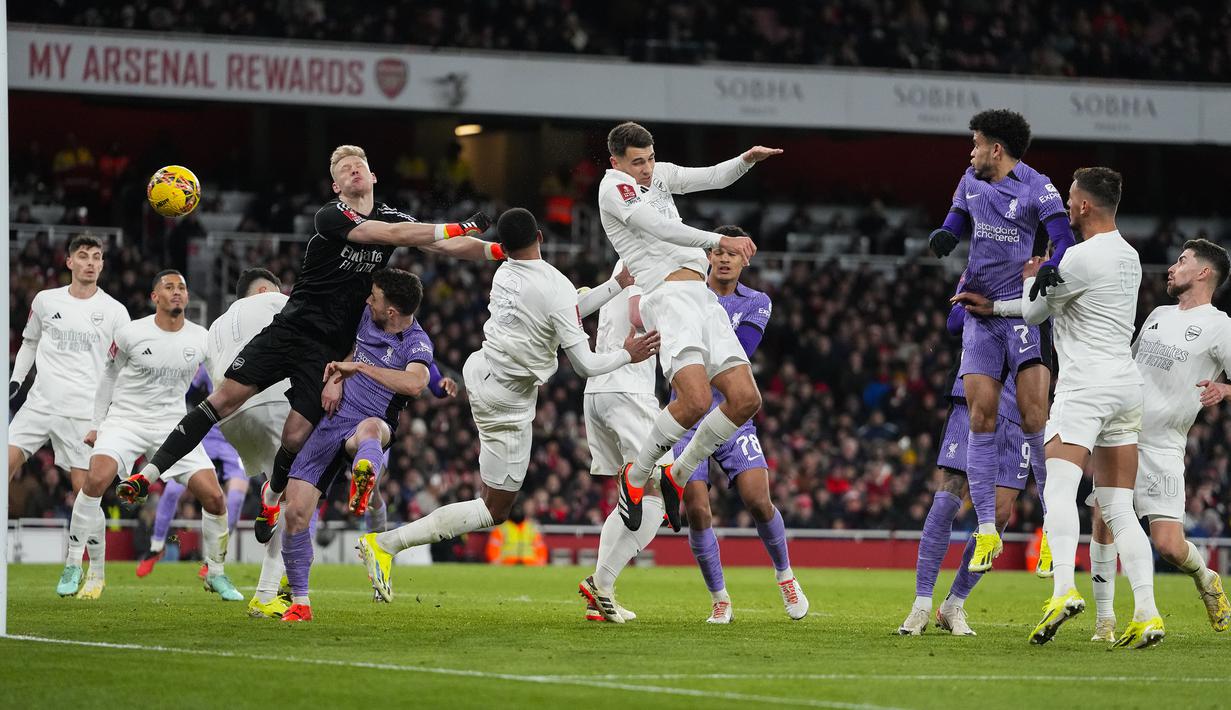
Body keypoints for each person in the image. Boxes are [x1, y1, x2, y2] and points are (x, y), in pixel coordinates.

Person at [122, 146, 499, 538]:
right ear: (336, 185)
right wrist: (456, 226)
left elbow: (437, 243)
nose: (353, 169)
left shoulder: (392, 215)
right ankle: (147, 476)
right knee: (225, 398)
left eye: (360, 166)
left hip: (327, 351)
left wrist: (495, 251)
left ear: (372, 178)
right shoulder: (331, 216)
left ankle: (271, 496)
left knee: (295, 436)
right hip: (290, 330)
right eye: (343, 168)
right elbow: (390, 235)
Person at [357, 208, 660, 603]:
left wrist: (614, 285)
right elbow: (585, 363)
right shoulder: (555, 286)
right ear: (540, 235)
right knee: (494, 509)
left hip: (481, 369)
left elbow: (563, 311)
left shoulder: (504, 268)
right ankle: (388, 544)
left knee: (491, 497)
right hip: (508, 399)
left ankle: (388, 544)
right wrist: (627, 355)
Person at [597, 121, 776, 534]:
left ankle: (677, 473)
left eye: (651, 158)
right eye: (637, 162)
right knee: (694, 400)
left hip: (701, 298)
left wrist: (746, 160)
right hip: (668, 296)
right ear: (616, 162)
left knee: (747, 398)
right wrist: (715, 240)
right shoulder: (614, 188)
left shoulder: (657, 175)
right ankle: (637, 476)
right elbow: (654, 226)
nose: (646, 168)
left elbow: (711, 176)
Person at [1022, 167, 1161, 649]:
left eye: (1068, 198)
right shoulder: (1131, 255)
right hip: (1126, 385)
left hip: (1084, 387)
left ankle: (1062, 590)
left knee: (1058, 490)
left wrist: (1030, 280)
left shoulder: (1078, 257)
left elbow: (1034, 313)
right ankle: (1146, 612)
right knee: (1119, 506)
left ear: (1083, 206)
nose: (1064, 204)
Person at [936, 109, 1076, 573]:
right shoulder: (969, 181)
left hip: (1022, 312)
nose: (969, 151)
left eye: (975, 143)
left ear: (996, 148)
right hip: (979, 309)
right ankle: (988, 534)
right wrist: (945, 235)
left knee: (1036, 419)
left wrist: (1055, 260)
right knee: (981, 418)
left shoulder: (1039, 186)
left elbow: (1062, 235)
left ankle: (1055, 531)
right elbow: (955, 221)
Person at [56, 271, 241, 602]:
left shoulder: (201, 337)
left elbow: (219, 384)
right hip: (125, 420)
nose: (176, 292)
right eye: (168, 287)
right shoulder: (130, 333)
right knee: (96, 480)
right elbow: (108, 378)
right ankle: (73, 564)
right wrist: (98, 423)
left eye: (182, 287)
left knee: (214, 497)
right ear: (154, 296)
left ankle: (216, 573)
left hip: (172, 425)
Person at [275, 268, 441, 622]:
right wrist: (336, 376)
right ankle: (300, 602)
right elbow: (348, 349)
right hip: (331, 421)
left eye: (376, 297)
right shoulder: (366, 315)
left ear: (392, 311)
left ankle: (364, 479)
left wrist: (361, 370)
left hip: (371, 424)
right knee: (295, 511)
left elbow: (414, 383)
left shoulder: (417, 342)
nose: (369, 300)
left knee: (370, 432)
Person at [1086, 240, 1231, 641]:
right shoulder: (1157, 314)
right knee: (1102, 519)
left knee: (1168, 545)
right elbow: (1127, 369)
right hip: (1121, 434)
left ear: (1204, 273)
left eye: (1182, 262)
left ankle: (1205, 577)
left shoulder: (1220, 326)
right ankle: (1104, 622)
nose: (1172, 267)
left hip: (1165, 446)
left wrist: (1225, 391)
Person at [676, 227, 807, 624]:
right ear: (709, 256)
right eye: (718, 251)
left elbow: (740, 355)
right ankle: (719, 598)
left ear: (744, 259)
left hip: (732, 416)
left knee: (757, 500)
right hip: (685, 417)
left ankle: (785, 575)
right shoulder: (685, 294)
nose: (725, 259)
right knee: (697, 510)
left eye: (733, 253)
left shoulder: (757, 302)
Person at [899, 277, 1044, 636]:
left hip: (1023, 403)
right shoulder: (988, 265)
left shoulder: (1051, 280)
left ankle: (954, 605)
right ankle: (920, 604)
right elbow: (952, 323)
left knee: (1000, 512)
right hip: (975, 393)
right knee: (950, 493)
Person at [577, 259, 664, 624]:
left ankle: (601, 595)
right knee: (658, 492)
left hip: (598, 390)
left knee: (627, 492)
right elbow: (637, 312)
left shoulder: (622, 261)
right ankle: (602, 582)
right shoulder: (651, 258)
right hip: (628, 390)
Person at [9, 235, 129, 489]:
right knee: (4, 464)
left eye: (96, 258)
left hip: (83, 413)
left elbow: (123, 366)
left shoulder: (116, 311)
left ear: (102, 265)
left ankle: (85, 531)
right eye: (83, 256)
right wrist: (16, 381)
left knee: (83, 491)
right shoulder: (46, 300)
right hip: (40, 404)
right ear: (69, 262)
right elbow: (30, 343)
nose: (90, 263)